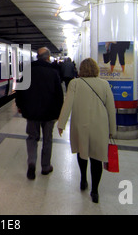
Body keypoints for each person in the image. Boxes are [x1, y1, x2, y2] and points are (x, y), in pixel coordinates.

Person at [57, 58, 116, 203]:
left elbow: (68, 103)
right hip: (100, 125)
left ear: (81, 69)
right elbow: (111, 109)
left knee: (82, 152)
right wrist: (112, 129)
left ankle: (83, 179)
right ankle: (95, 191)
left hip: (80, 124)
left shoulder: (75, 83)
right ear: (96, 69)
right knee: (97, 157)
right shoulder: (104, 84)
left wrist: (61, 123)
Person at [15, 47, 63, 180]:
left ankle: (31, 163)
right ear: (48, 57)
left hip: (32, 113)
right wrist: (59, 112)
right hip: (49, 114)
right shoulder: (53, 72)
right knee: (47, 139)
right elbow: (59, 96)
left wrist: (20, 106)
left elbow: (20, 89)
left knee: (32, 138)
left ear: (37, 57)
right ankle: (46, 167)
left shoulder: (28, 71)